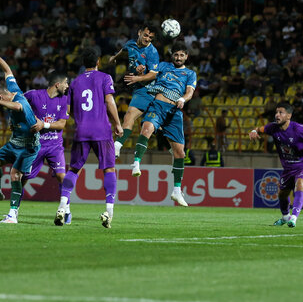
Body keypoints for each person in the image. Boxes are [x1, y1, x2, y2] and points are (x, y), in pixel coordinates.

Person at [55, 48, 123, 228]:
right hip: (102, 130)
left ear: (84, 63)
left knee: (74, 169)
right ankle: (109, 211)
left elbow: (67, 110)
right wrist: (117, 123)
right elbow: (109, 101)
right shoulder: (105, 78)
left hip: (82, 131)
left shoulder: (75, 82)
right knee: (109, 169)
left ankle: (63, 206)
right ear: (98, 61)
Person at [126, 42, 197, 206]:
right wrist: (141, 71)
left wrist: (182, 99)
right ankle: (136, 163)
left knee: (180, 153)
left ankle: (177, 191)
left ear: (186, 56)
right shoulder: (163, 65)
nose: (178, 58)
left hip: (174, 112)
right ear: (172, 55)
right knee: (147, 129)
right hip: (158, 105)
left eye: (181, 55)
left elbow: (189, 93)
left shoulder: (190, 73)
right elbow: (150, 72)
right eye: (176, 54)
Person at [0, 40, 40, 224]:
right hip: (14, 142)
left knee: (15, 175)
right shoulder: (13, 88)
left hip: (29, 147)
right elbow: (7, 70)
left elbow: (15, 106)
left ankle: (12, 215)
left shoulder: (20, 101)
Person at [249, 102, 303, 227]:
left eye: (281, 112)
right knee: (282, 194)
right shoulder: (272, 127)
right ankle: (286, 217)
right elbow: (260, 129)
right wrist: (254, 130)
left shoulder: (298, 128)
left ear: (289, 116)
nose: (277, 115)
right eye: (276, 112)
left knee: (300, 184)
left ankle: (294, 218)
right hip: (288, 168)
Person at [22, 71, 71, 224]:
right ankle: (13, 211)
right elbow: (18, 103)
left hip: (55, 146)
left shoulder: (64, 100)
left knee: (62, 176)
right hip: (35, 145)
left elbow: (62, 124)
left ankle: (65, 210)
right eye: (66, 83)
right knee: (22, 178)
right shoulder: (33, 95)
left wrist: (44, 124)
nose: (67, 86)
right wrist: (18, 121)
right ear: (57, 84)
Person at [109, 24, 159, 158]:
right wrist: (114, 58)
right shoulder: (130, 44)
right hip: (134, 85)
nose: (147, 39)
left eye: (151, 38)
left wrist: (140, 77)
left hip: (147, 88)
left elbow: (154, 74)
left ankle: (117, 146)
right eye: (146, 35)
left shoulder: (152, 52)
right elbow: (123, 50)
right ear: (139, 33)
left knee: (129, 115)